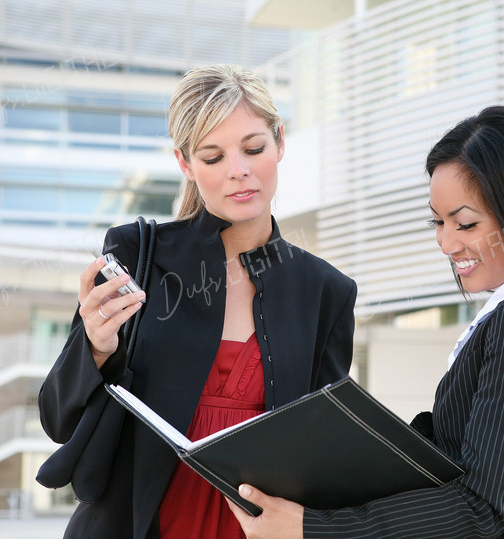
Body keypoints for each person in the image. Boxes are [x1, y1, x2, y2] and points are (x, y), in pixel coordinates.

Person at [227, 105, 504, 538]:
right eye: (437, 221)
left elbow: (479, 507)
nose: (446, 242)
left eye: (465, 223)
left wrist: (313, 530)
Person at [38, 64, 357, 539]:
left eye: (253, 148)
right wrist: (95, 347)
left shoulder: (326, 291)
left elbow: (322, 451)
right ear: (185, 164)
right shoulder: (133, 255)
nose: (239, 171)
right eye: (213, 157)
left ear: (280, 142)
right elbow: (56, 416)